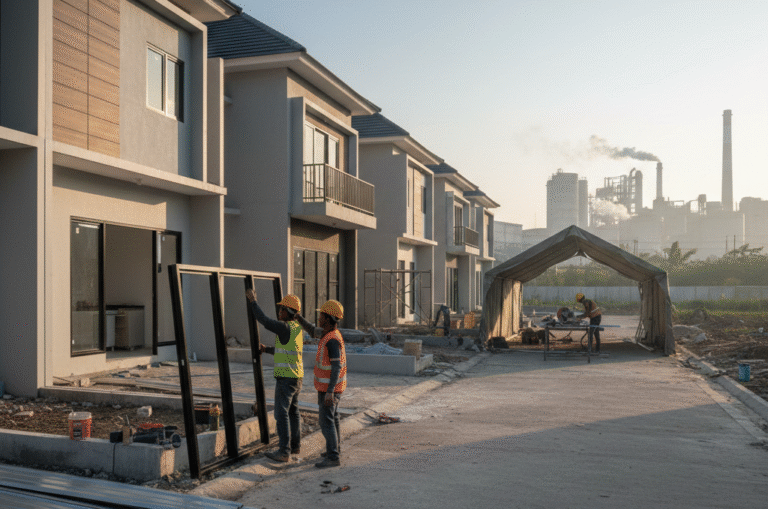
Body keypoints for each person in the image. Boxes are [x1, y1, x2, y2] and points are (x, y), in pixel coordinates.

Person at [246, 290, 304, 463]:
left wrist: (253, 302)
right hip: (297, 377)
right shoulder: (296, 328)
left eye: (282, 309)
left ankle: (284, 451)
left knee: (281, 414)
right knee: (293, 412)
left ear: (290, 312)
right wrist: (268, 349)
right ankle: (295, 446)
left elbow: (264, 321)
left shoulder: (284, 326)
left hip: (286, 378)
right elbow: (286, 350)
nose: (279, 312)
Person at [303, 300, 347, 468]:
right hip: (331, 388)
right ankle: (334, 449)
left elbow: (336, 367)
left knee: (326, 421)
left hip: (329, 389)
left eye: (321, 315)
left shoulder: (332, 340)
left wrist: (329, 391)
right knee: (333, 418)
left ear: (328, 319)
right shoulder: (329, 334)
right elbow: (311, 329)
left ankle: (333, 456)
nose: (319, 318)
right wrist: (298, 317)